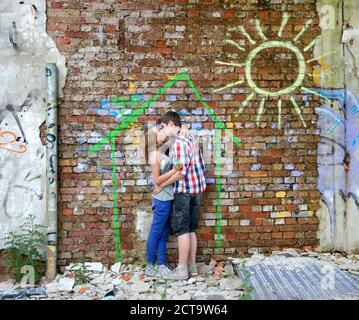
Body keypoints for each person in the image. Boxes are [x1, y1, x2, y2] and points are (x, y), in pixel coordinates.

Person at [154, 111, 206, 280]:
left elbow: (181, 173)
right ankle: (192, 266)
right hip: (198, 189)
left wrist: (161, 184)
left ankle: (182, 270)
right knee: (191, 229)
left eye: (163, 126)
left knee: (182, 230)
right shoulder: (191, 137)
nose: (162, 129)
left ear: (170, 124)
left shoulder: (179, 142)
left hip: (184, 190)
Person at [144, 123, 185, 277]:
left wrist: (182, 129)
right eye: (159, 131)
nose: (163, 132)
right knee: (156, 231)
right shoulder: (154, 154)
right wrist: (174, 170)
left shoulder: (164, 150)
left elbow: (177, 134)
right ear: (154, 138)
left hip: (168, 197)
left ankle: (162, 264)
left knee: (164, 232)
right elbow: (157, 180)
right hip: (161, 199)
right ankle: (150, 265)